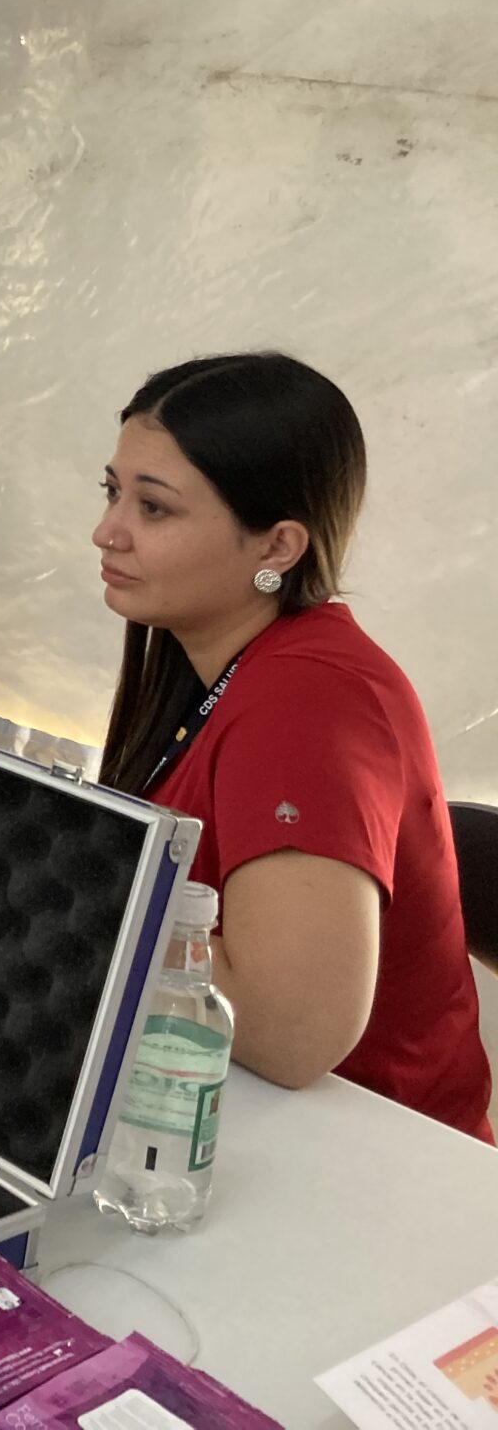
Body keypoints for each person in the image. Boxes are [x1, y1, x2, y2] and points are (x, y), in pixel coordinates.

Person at [93, 353, 491, 1141]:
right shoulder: (225, 669)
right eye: (113, 492)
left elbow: (291, 1031)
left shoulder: (310, 703)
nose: (107, 531)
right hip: (238, 1118)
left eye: (155, 509)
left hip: (366, 1165)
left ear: (277, 548)